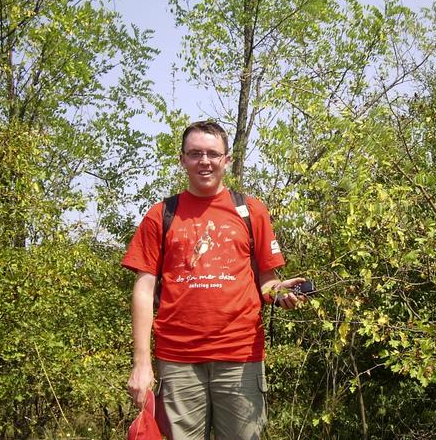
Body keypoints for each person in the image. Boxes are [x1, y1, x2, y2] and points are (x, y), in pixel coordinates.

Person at [122, 120, 305, 439]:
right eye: (195, 154)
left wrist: (279, 293)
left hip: (240, 356)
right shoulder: (161, 214)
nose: (204, 161)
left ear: (226, 160)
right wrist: (141, 364)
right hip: (177, 359)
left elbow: (267, 282)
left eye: (212, 154)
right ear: (182, 159)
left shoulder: (251, 211)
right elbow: (143, 290)